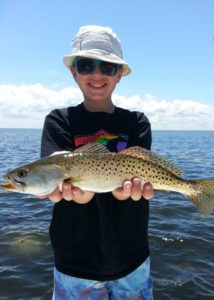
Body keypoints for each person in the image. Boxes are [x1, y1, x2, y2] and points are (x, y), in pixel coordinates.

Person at [40, 25, 154, 299]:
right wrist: (75, 194)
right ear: (74, 71)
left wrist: (141, 189)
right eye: (86, 64)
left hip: (132, 256)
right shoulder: (59, 121)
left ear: (119, 74)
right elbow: (53, 180)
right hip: (74, 261)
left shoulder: (136, 122)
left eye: (107, 66)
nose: (97, 74)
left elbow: (143, 172)